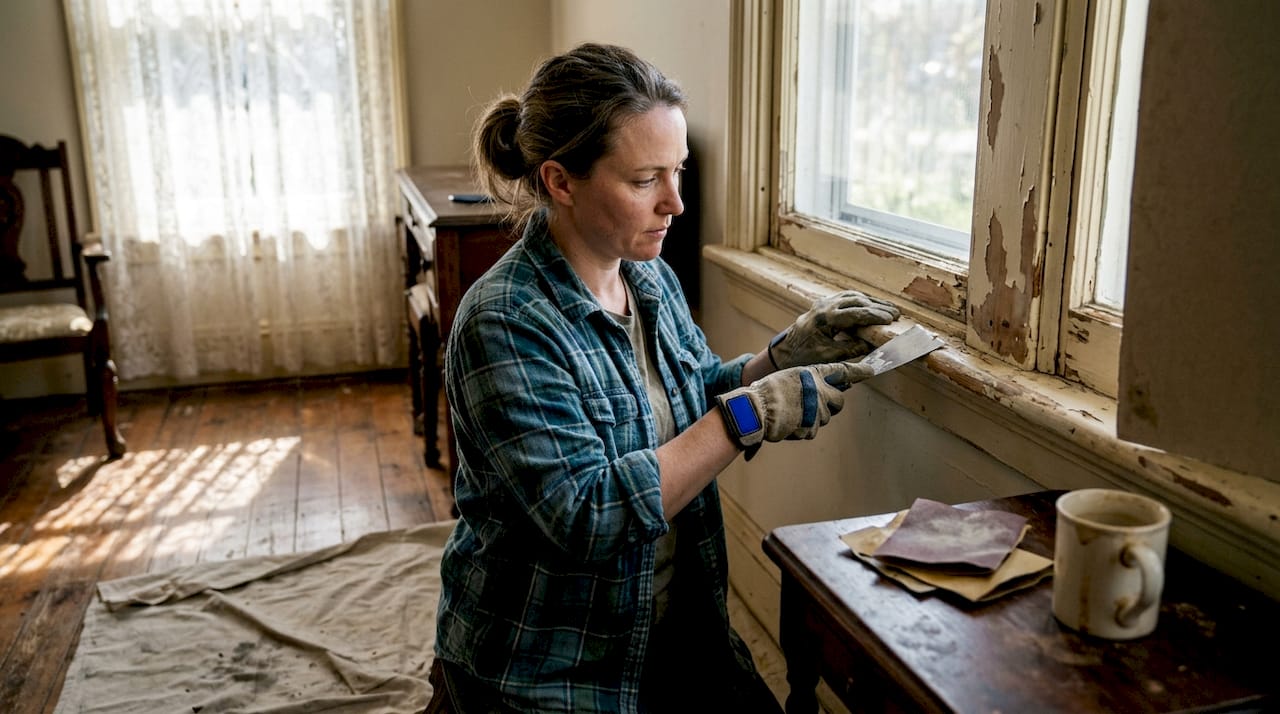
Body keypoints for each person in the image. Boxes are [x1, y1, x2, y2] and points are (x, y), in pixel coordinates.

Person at [430, 43, 900, 713]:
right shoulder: (503, 321)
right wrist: (751, 415)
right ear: (561, 181)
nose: (675, 203)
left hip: (675, 626)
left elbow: (693, 391)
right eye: (646, 179)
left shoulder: (647, 276)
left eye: (677, 172)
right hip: (547, 666)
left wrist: (782, 357)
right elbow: (587, 517)